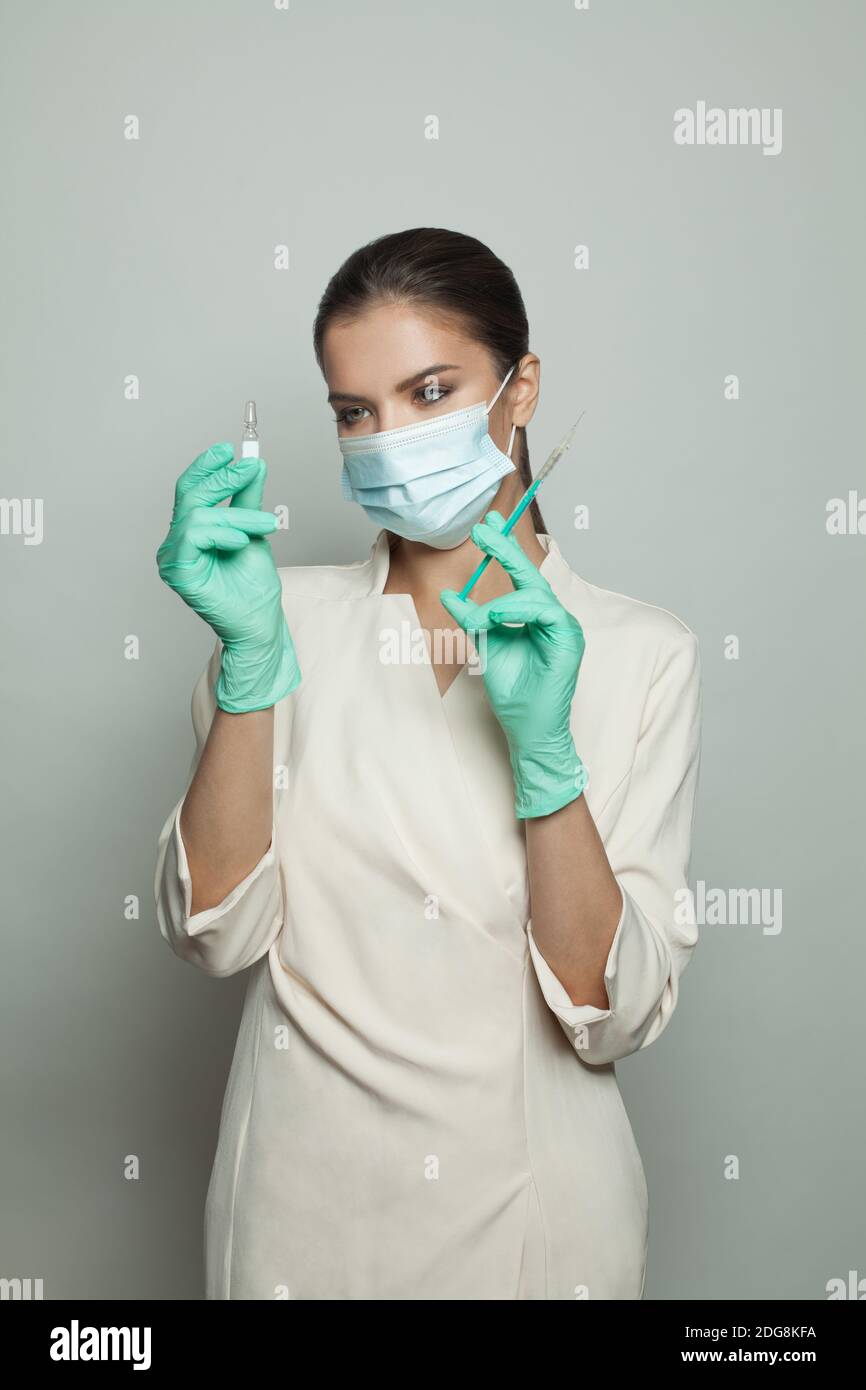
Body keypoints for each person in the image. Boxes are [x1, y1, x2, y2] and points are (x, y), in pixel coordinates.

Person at [154, 226, 702, 1301]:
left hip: (536, 1224)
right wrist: (252, 668)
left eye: (429, 391)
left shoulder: (641, 654)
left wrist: (545, 761)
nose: (387, 438)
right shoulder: (277, 624)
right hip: (295, 1221)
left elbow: (605, 1011)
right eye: (355, 412)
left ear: (520, 387)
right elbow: (213, 931)